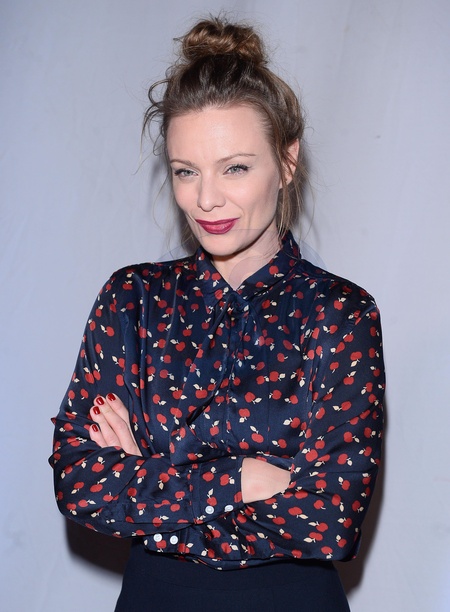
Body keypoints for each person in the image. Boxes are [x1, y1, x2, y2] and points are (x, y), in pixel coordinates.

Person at [50, 16, 385, 612]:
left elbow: (329, 523)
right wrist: (243, 479)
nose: (206, 199)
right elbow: (80, 486)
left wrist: (151, 485)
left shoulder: (339, 312)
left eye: (235, 167)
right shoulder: (132, 300)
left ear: (287, 161)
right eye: (186, 171)